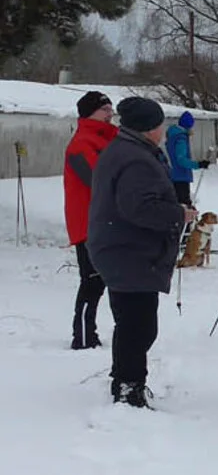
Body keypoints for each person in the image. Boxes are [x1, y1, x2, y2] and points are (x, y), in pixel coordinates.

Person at [87, 97, 191, 407]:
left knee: (134, 323)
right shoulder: (136, 160)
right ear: (148, 128)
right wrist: (179, 214)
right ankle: (129, 389)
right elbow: (139, 208)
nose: (163, 130)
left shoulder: (126, 150)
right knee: (138, 326)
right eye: (160, 124)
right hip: (128, 251)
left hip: (123, 248)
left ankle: (124, 379)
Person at [63, 90, 119, 349]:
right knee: (92, 281)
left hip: (105, 221)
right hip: (88, 223)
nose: (110, 114)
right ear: (89, 113)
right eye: (104, 109)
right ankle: (83, 336)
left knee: (101, 280)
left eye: (110, 109)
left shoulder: (107, 139)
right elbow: (98, 179)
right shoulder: (81, 144)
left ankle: (89, 332)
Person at [165, 110, 208, 205]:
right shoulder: (181, 138)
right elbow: (181, 160)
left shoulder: (172, 136)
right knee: (184, 205)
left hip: (174, 175)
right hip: (180, 176)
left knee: (178, 205)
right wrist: (198, 164)